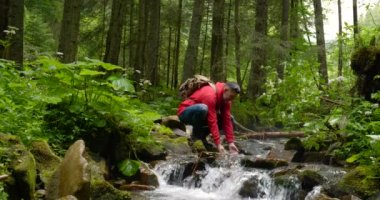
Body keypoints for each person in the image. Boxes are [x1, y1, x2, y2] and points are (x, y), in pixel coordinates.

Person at [177, 82, 240, 154]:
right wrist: (218, 144)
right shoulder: (210, 94)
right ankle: (196, 137)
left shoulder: (226, 101)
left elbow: (227, 121)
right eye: (231, 96)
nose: (231, 100)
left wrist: (231, 142)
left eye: (233, 98)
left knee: (230, 119)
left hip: (201, 117)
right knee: (203, 108)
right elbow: (212, 121)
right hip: (185, 114)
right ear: (225, 90)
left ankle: (202, 136)